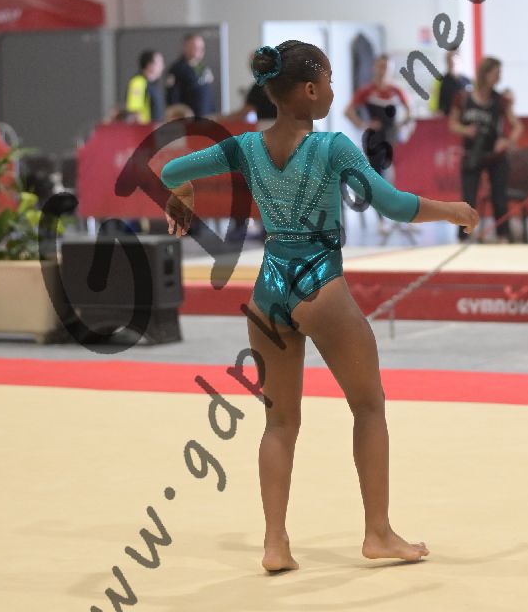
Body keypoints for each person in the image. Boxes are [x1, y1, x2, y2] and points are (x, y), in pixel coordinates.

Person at [159, 40, 478, 574]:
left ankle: (275, 543)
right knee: (369, 407)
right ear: (309, 90)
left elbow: (172, 170)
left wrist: (183, 193)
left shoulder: (245, 147)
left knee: (279, 422)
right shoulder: (332, 147)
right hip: (319, 285)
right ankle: (378, 532)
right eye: (329, 81)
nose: (332, 90)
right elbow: (393, 204)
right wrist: (453, 211)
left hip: (269, 289)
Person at [449, 56, 523, 243]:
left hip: (495, 155)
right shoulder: (464, 98)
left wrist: (506, 141)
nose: (499, 77)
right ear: (485, 73)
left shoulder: (500, 101)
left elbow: (517, 126)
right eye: (496, 73)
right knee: (468, 198)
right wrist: (466, 130)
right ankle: (464, 236)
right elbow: (452, 123)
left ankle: (503, 236)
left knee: (499, 198)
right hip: (472, 154)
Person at [166, 33, 215, 119]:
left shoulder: (203, 68)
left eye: (202, 48)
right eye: (196, 47)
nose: (200, 51)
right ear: (186, 47)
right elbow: (173, 98)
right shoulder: (178, 69)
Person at [125, 50, 165, 123]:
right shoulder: (138, 82)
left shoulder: (153, 85)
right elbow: (135, 111)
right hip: (145, 128)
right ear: (149, 65)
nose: (162, 67)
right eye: (159, 63)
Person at [428, 50, 470, 117]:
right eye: (450, 62)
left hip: (464, 116)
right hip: (446, 116)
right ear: (447, 63)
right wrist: (436, 112)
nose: (453, 65)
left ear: (460, 61)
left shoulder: (467, 81)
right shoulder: (440, 81)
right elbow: (434, 102)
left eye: (454, 62)